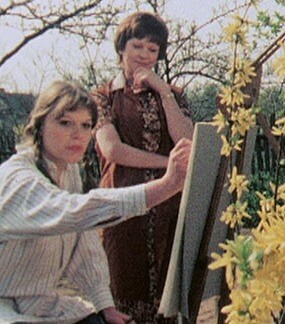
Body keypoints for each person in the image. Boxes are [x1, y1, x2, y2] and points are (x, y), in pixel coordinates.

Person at [0, 80, 191, 324]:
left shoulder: (67, 173)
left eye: (86, 125)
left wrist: (104, 305)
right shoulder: (18, 178)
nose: (77, 134)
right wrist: (166, 185)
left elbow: (83, 243)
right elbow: (75, 212)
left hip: (31, 305)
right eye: (65, 122)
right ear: (40, 125)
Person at [92, 12, 194, 323]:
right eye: (138, 46)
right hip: (124, 209)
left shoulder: (172, 95)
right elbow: (113, 149)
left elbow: (188, 139)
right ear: (121, 48)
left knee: (168, 300)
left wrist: (163, 92)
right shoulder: (103, 96)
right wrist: (168, 165)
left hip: (168, 210)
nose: (145, 56)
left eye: (153, 49)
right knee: (124, 297)